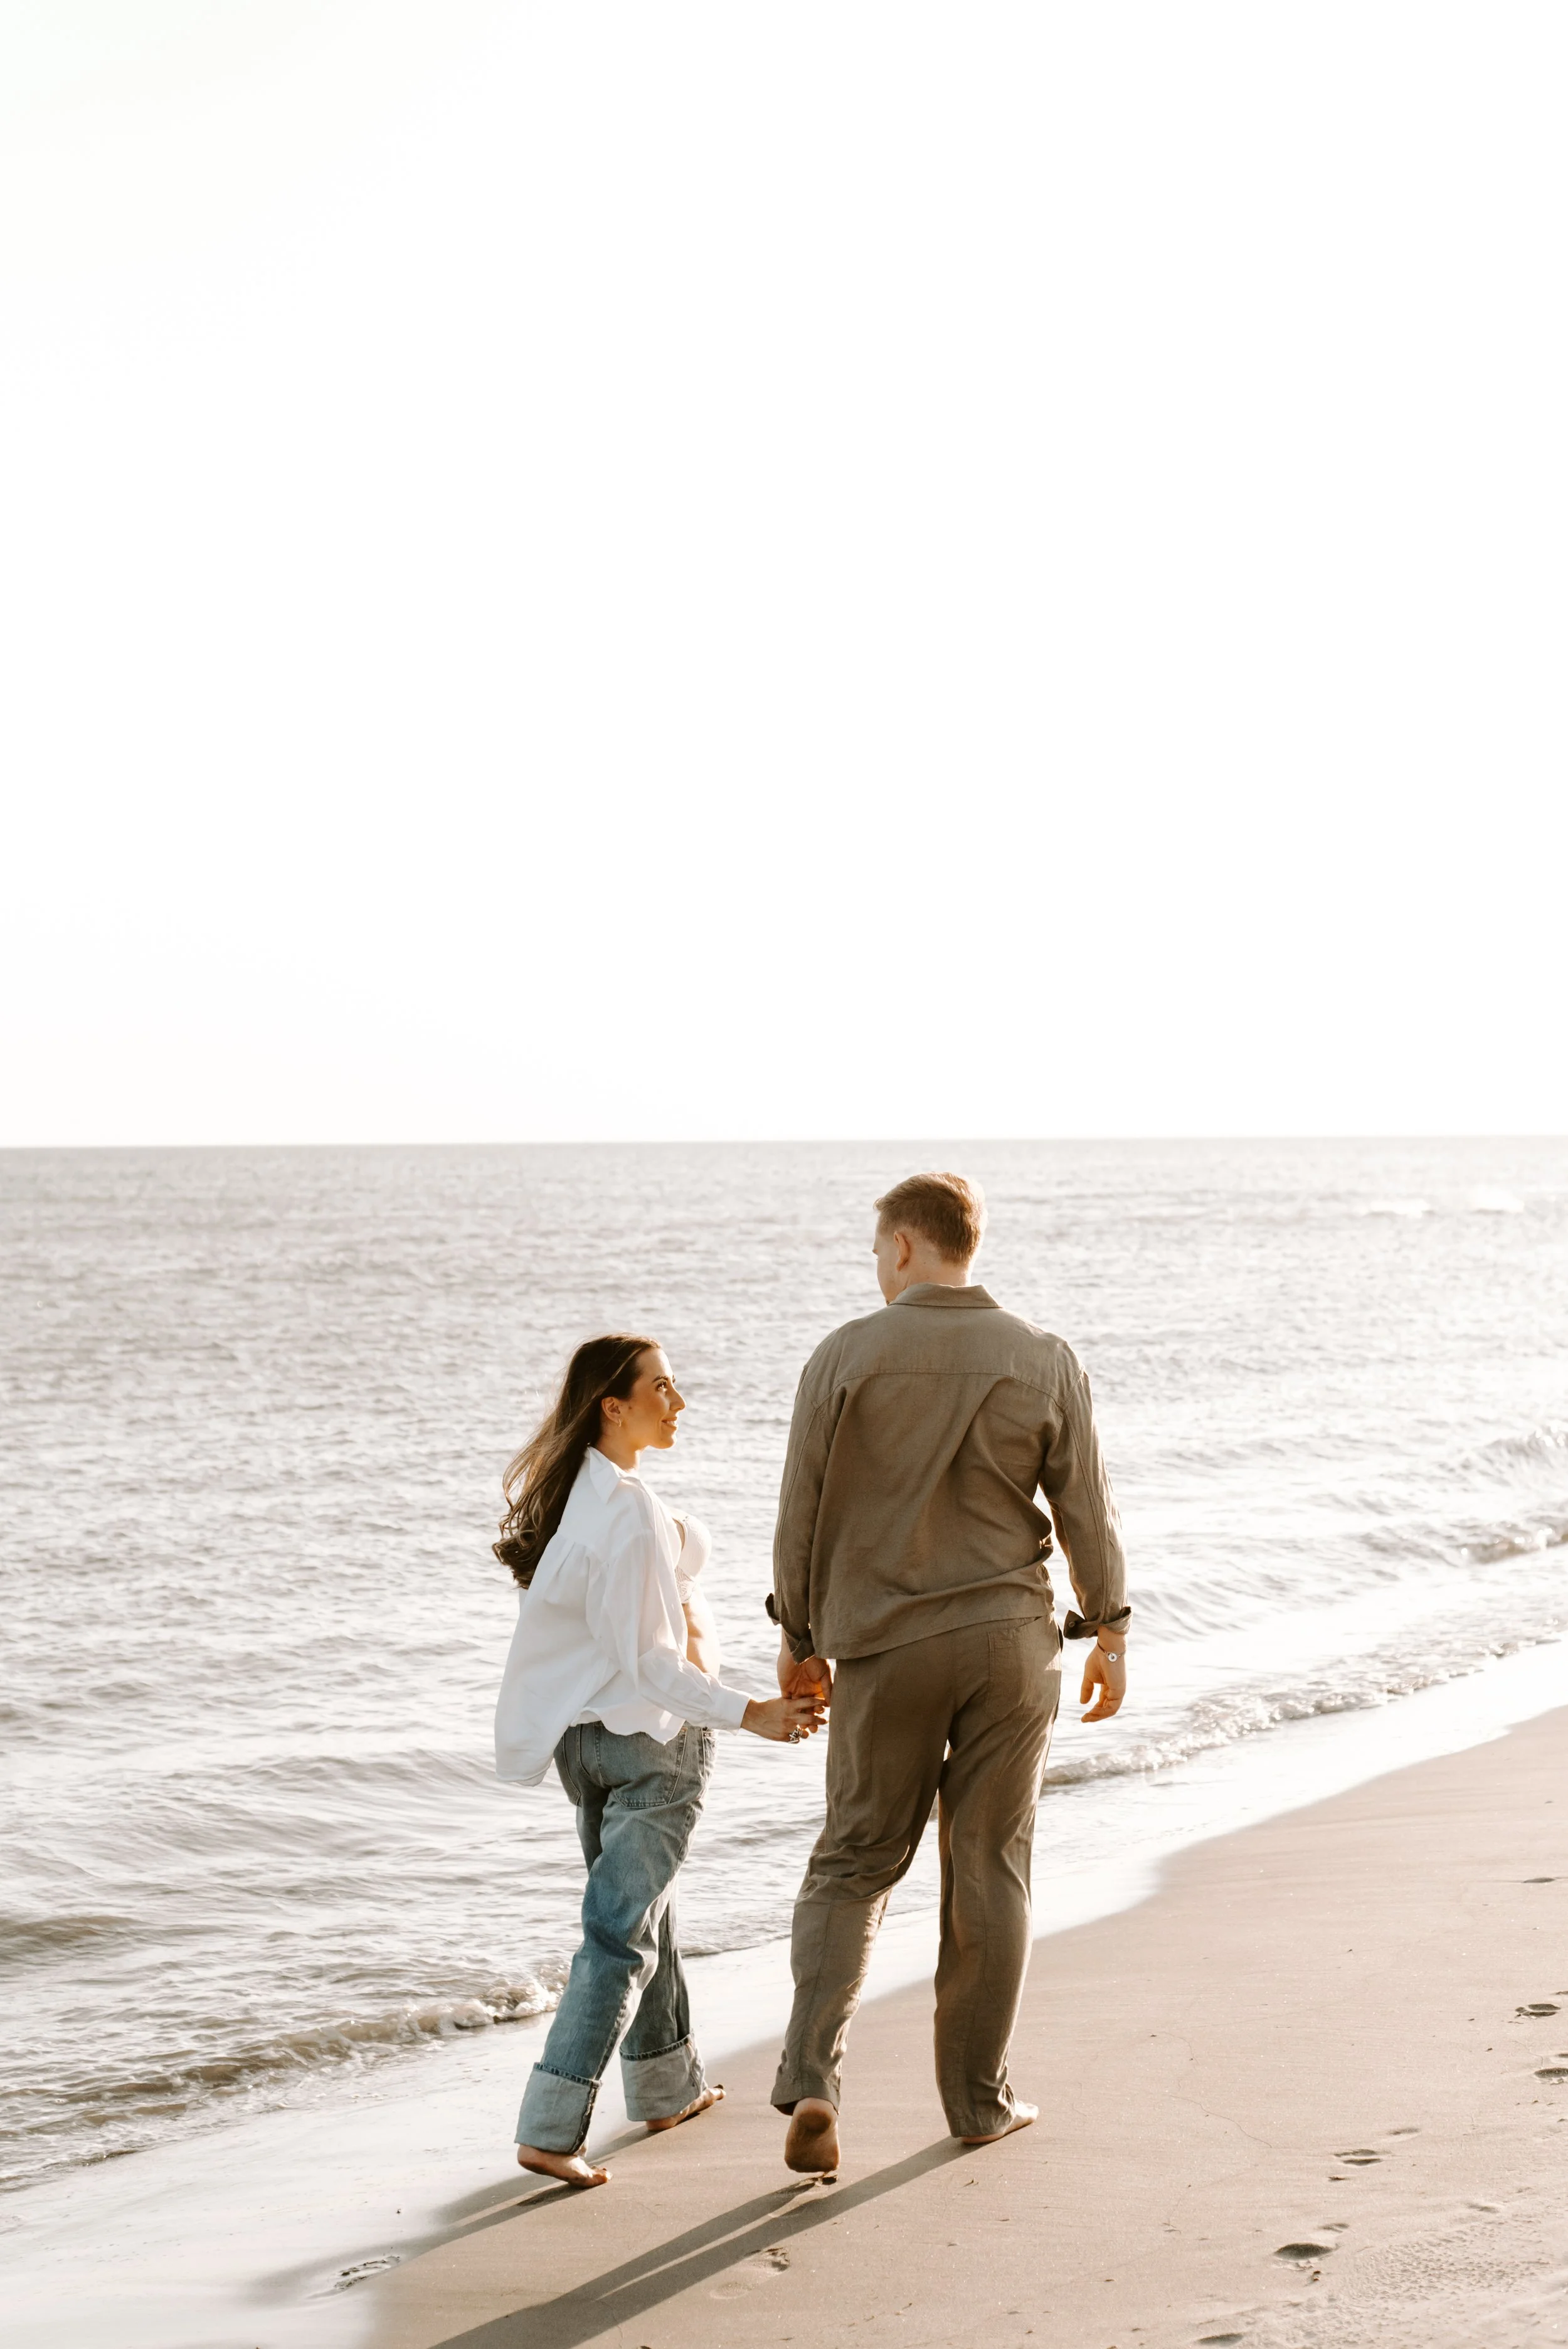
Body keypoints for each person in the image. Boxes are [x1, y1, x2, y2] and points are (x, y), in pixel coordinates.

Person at [767, 1174, 1129, 2172]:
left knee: (854, 1861)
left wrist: (798, 1634)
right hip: (1012, 1642)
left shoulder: (845, 1355)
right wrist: (1109, 1629)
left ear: (903, 1247)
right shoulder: (1044, 1357)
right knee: (990, 1864)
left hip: (886, 1646)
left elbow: (800, 1510)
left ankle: (813, 2079)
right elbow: (1087, 1512)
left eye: (877, 1253)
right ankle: (978, 2104)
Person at [494, 1333, 824, 2188]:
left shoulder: (579, 1492)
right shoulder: (627, 1510)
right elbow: (649, 1663)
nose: (679, 1403)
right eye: (663, 1388)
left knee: (647, 1915)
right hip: (651, 1745)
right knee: (620, 1936)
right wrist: (750, 1712)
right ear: (614, 1405)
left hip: (587, 1744)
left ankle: (667, 2086)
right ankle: (550, 2127)